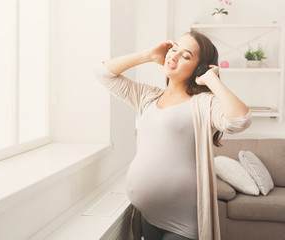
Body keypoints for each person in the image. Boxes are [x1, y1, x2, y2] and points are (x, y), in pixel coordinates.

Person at [94, 31, 252, 240]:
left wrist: (212, 80)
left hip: (183, 223)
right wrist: (149, 55)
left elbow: (239, 120)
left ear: (199, 67)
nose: (174, 56)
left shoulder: (203, 103)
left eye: (186, 56)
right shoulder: (147, 96)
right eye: (174, 48)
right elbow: (103, 73)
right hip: (149, 217)